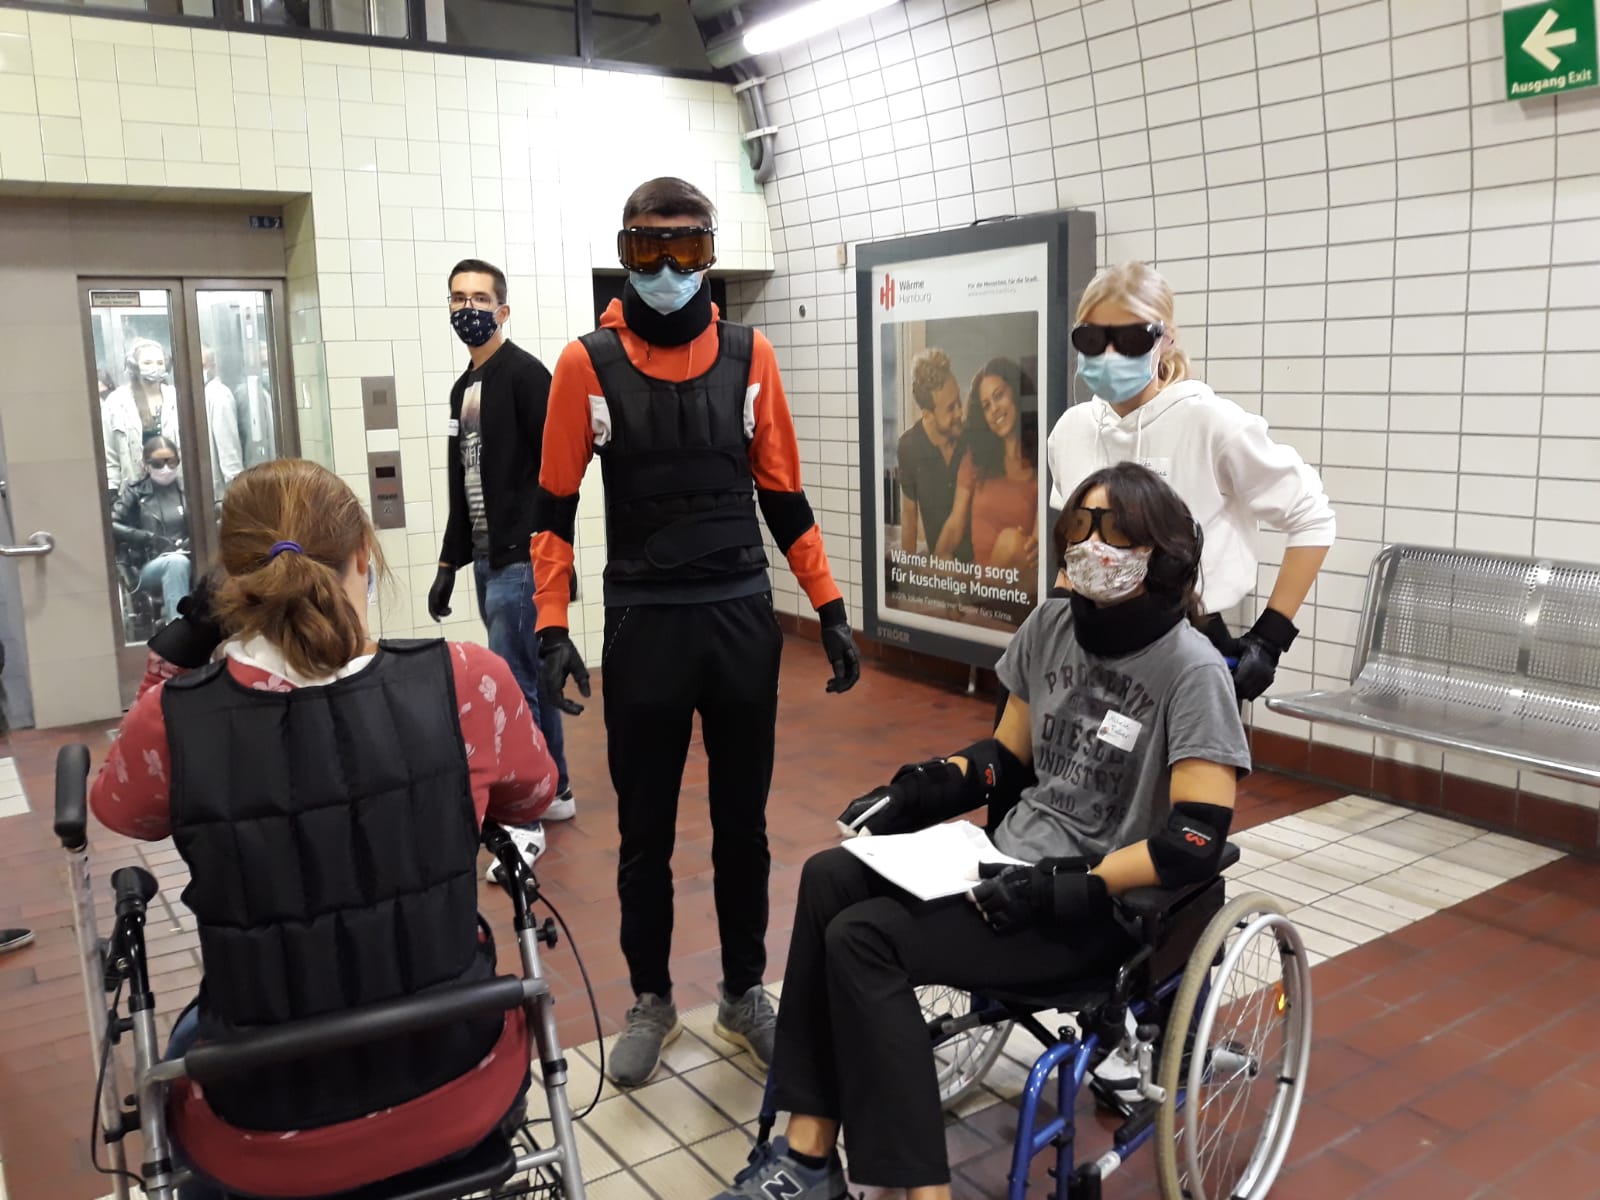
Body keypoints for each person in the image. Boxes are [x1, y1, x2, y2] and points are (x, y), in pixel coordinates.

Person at [714, 462, 1251, 1200]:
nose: (1092, 546)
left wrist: (1068, 886)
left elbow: (1194, 839)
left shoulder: (1193, 671)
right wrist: (915, 792)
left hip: (1094, 911)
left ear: (1161, 553)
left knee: (862, 940)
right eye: (1081, 528)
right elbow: (1005, 759)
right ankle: (810, 1156)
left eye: (1115, 533)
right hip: (1004, 868)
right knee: (827, 876)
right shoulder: (1050, 626)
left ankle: (921, 1193)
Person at [88, 458, 558, 1200]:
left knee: (180, 1049)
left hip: (259, 1123)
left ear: (230, 586)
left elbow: (123, 810)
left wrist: (172, 664)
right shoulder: (466, 681)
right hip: (458, 1081)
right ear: (363, 556)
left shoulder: (173, 722)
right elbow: (534, 794)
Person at [532, 176, 861, 1089]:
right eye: (650, 247)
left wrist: (830, 607)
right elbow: (552, 508)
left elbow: (784, 495)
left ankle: (745, 990)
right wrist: (551, 625)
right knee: (643, 832)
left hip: (739, 620)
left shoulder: (752, 356)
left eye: (689, 248)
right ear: (625, 253)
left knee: (741, 826)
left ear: (711, 255)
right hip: (645, 624)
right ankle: (650, 999)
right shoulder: (584, 365)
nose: (670, 267)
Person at [1046, 262, 1336, 702]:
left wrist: (1271, 637)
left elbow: (1311, 515)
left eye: (1131, 339)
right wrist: (1055, 615)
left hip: (1188, 642)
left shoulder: (1210, 423)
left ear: (1166, 339)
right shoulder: (1071, 430)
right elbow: (1077, 544)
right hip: (1089, 634)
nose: (1109, 354)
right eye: (1092, 339)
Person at [428, 258, 575, 879]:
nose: (468, 308)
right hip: (487, 559)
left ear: (503, 310)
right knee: (529, 677)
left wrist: (548, 549)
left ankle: (529, 810)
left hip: (522, 558)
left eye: (480, 298)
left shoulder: (526, 376)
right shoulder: (464, 388)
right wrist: (448, 561)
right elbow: (462, 483)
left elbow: (557, 472)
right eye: (458, 297)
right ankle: (555, 787)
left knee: (514, 683)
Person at [935, 358, 1039, 573]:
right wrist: (939, 560)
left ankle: (977, 588)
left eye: (999, 396)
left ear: (1016, 393)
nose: (994, 410)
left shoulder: (1041, 461)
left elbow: (1036, 545)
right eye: (986, 406)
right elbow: (955, 523)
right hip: (984, 578)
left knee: (1010, 542)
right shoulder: (976, 459)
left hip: (1021, 578)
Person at [111, 437, 192, 626]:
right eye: (158, 463)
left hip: (191, 557)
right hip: (150, 564)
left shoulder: (189, 489)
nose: (166, 468)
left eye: (171, 462)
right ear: (146, 465)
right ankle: (178, 630)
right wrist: (147, 538)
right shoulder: (135, 492)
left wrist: (190, 541)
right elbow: (110, 523)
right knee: (176, 563)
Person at [895, 348, 968, 558]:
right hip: (942, 562)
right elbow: (909, 516)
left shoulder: (970, 437)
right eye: (951, 408)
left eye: (959, 401)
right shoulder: (909, 447)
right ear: (927, 415)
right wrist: (908, 570)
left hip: (984, 563)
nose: (960, 412)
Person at [103, 338, 181, 495]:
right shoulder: (116, 402)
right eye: (147, 362)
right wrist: (112, 491)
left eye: (160, 363)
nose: (155, 367)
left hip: (176, 488)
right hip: (134, 490)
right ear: (134, 366)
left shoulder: (177, 397)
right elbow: (109, 455)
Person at [201, 345, 245, 493]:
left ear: (213, 366)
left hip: (217, 488)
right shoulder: (192, 393)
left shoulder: (219, 396)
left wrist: (234, 484)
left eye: (202, 366)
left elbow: (228, 445)